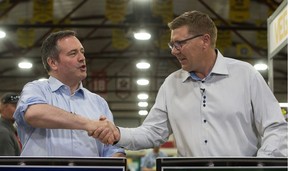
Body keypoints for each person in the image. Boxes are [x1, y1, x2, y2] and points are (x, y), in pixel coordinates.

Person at [95, 10, 287, 157]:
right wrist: (118, 133)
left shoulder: (246, 75)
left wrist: (261, 166)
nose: (174, 51)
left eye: (180, 43)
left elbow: (275, 127)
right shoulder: (171, 85)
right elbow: (152, 132)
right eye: (172, 45)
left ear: (205, 41)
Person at [13, 30, 124, 157]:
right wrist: (89, 124)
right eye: (73, 53)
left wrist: (116, 161)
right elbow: (34, 114)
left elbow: (113, 149)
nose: (82, 58)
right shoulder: (36, 89)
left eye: (82, 52)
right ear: (53, 63)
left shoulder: (99, 102)